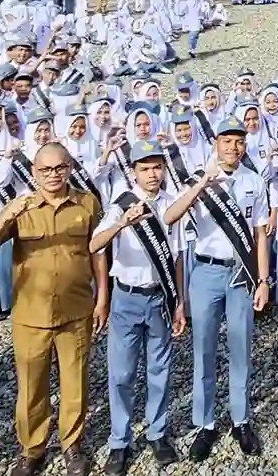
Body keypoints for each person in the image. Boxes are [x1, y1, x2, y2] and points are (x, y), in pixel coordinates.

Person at [0, 142, 107, 476]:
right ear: (34, 172)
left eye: (60, 168)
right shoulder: (21, 207)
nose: (53, 175)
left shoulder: (86, 203)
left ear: (70, 168)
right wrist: (8, 212)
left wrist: (103, 295)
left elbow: (97, 252)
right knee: (32, 385)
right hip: (30, 314)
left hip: (76, 309)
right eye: (45, 170)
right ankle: (31, 449)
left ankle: (72, 446)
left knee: (74, 382)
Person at [165, 117, 272, 462]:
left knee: (240, 348)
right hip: (206, 271)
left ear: (244, 145)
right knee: (204, 351)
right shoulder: (200, 178)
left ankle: (241, 419)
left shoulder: (254, 180)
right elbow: (171, 216)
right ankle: (205, 423)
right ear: (215, 144)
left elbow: (259, 235)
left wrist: (264, 280)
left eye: (239, 142)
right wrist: (203, 184)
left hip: (241, 274)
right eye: (226, 141)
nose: (233, 148)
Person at [89, 137, 186, 474]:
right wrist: (121, 223)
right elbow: (94, 244)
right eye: (145, 168)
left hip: (160, 296)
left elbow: (177, 257)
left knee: (159, 369)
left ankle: (157, 432)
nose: (152, 174)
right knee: (122, 373)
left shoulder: (172, 203)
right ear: (134, 172)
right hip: (126, 297)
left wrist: (179, 303)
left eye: (157, 167)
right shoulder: (121, 203)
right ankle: (120, 440)